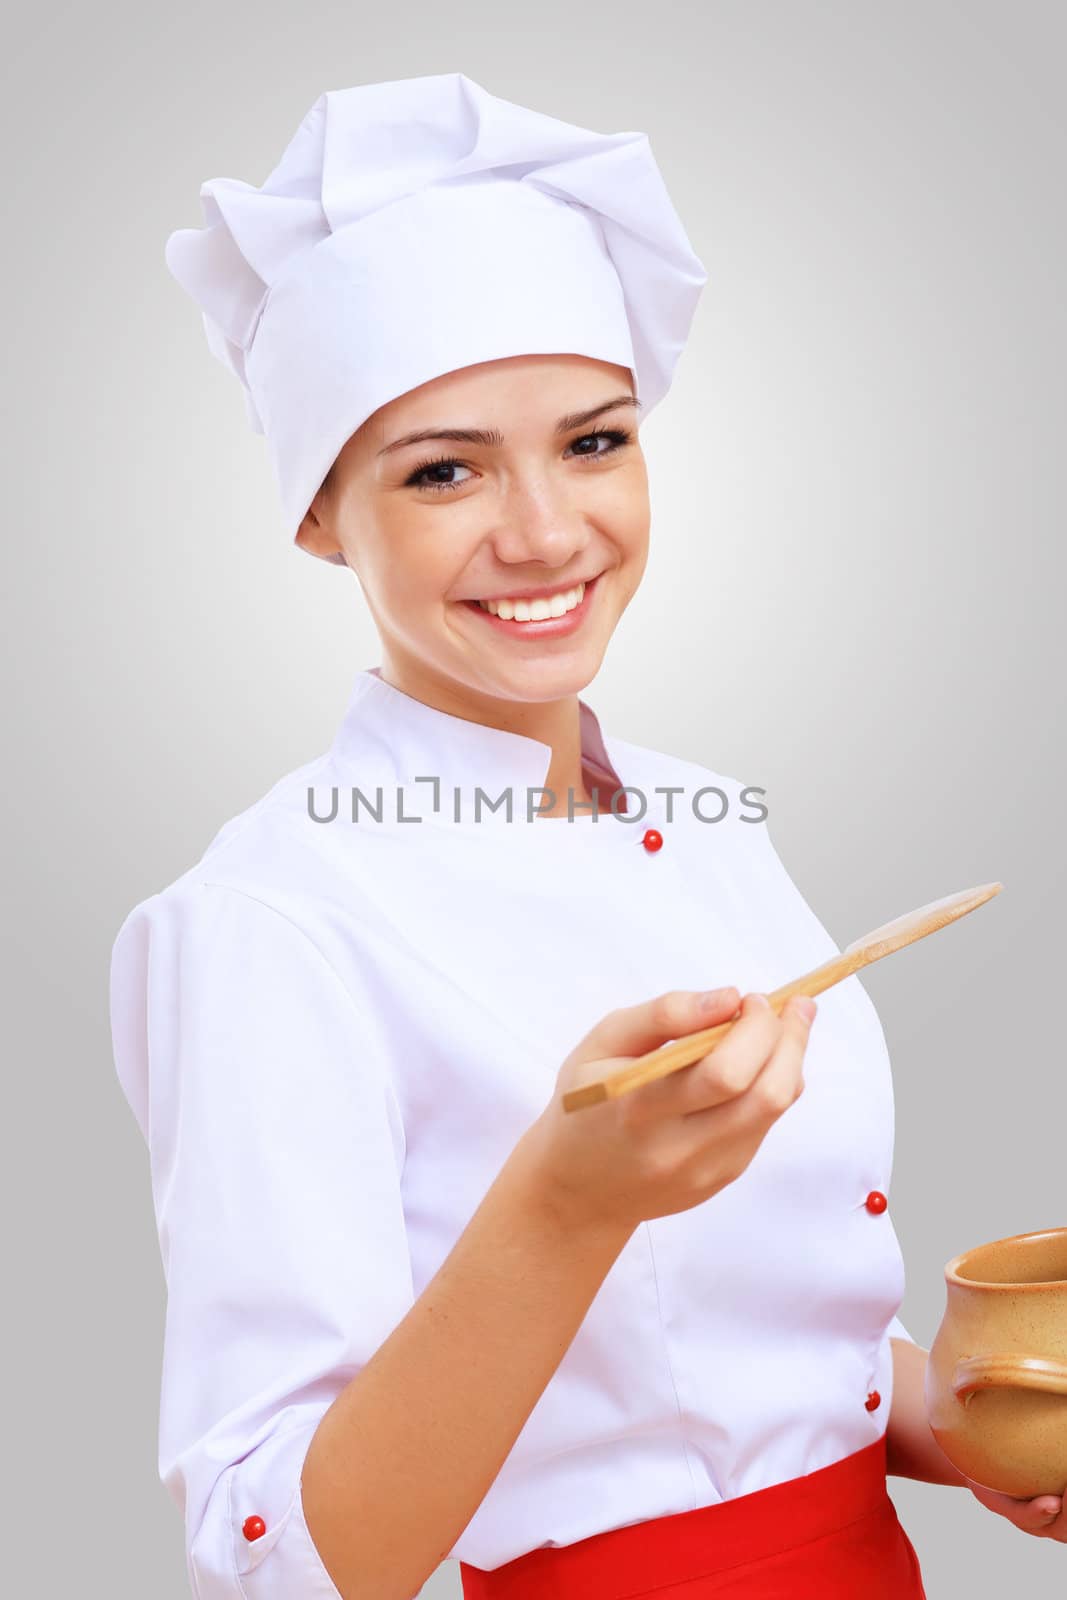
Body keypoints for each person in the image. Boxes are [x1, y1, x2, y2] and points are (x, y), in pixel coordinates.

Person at [111, 71, 1063, 1600]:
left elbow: (728, 1354)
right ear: (317, 512)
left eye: (596, 441)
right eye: (443, 469)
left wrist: (969, 1422)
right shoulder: (266, 920)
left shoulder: (697, 814)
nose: (548, 533)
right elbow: (275, 1552)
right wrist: (567, 1204)